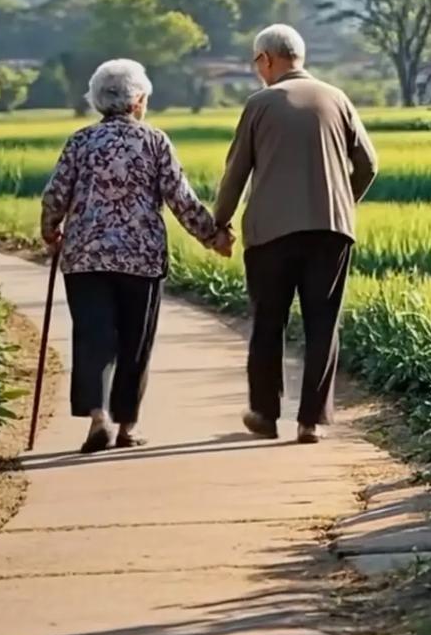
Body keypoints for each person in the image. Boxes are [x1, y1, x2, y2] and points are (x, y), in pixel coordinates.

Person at [41, 58, 232, 454]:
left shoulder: (80, 141)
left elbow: (56, 193)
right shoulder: (154, 141)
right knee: (135, 340)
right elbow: (180, 198)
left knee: (92, 336)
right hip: (140, 258)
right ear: (139, 100)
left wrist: (50, 228)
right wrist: (212, 236)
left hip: (86, 256)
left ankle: (99, 417)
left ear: (98, 100)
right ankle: (126, 425)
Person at [214, 25, 377, 444]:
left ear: (266, 59)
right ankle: (311, 421)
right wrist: (342, 202)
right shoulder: (337, 98)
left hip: (271, 233)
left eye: (257, 62)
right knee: (323, 322)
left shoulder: (260, 104)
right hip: (331, 231)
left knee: (269, 321)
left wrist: (220, 223)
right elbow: (368, 164)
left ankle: (265, 414)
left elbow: (236, 173)